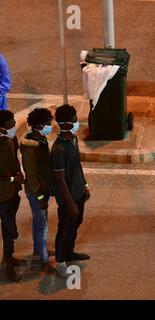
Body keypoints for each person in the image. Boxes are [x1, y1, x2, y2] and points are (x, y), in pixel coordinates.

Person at [51, 104, 91, 279]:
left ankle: (70, 253)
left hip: (79, 192)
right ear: (66, 123)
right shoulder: (58, 150)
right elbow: (59, 180)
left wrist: (85, 186)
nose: (77, 122)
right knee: (65, 229)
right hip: (69, 199)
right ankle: (60, 262)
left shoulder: (73, 140)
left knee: (76, 224)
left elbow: (78, 166)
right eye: (75, 119)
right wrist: (70, 203)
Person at [20, 108, 55, 274]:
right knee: (41, 226)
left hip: (42, 189)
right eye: (48, 123)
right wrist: (40, 195)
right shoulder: (30, 145)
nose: (51, 125)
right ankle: (44, 260)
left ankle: (39, 251)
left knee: (39, 223)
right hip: (37, 191)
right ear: (40, 125)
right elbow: (31, 174)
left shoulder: (39, 138)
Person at [0, 110, 24, 282]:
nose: (14, 125)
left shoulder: (12, 139)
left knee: (9, 229)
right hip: (2, 194)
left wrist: (18, 175)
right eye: (10, 123)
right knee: (9, 229)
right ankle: (8, 265)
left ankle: (8, 257)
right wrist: (12, 178)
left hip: (11, 193)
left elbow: (15, 159)